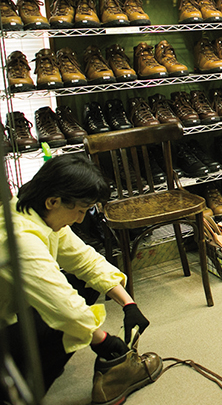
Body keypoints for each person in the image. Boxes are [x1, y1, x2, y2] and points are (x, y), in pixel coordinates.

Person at [0, 153, 154, 401]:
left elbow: (84, 260)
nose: (81, 219)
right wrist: (103, 342)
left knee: (85, 286)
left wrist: (128, 304)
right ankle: (17, 392)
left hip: (12, 310)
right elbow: (66, 310)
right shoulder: (20, 239)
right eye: (80, 211)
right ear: (53, 201)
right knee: (64, 322)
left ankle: (40, 358)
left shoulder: (36, 211)